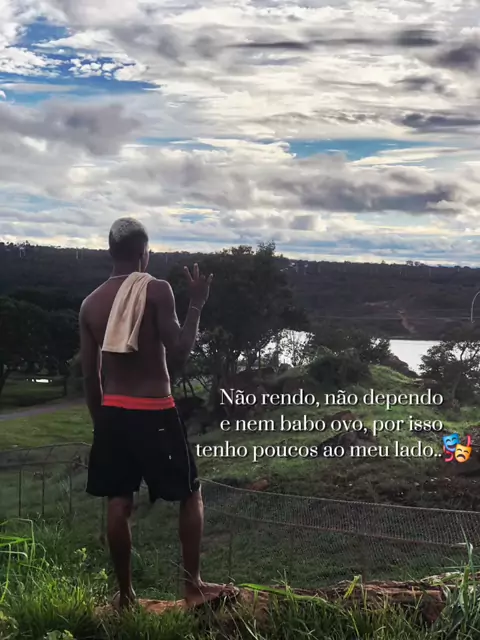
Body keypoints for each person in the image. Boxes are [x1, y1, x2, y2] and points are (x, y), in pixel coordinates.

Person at [79, 217, 236, 610]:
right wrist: (196, 303)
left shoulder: (90, 304)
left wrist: (102, 425)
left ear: (110, 252)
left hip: (113, 413)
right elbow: (180, 351)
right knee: (190, 493)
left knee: (119, 501)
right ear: (144, 254)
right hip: (154, 411)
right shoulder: (156, 290)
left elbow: (91, 377)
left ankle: (125, 596)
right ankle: (192, 587)